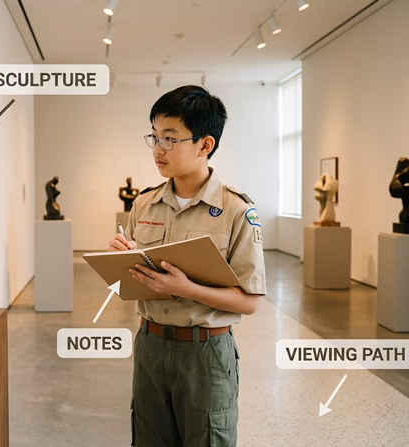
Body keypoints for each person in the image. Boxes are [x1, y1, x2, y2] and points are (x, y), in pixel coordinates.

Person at [107, 85, 266, 446]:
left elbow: (250, 301)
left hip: (205, 354)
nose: (159, 149)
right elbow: (124, 284)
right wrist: (120, 258)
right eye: (155, 136)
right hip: (150, 346)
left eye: (170, 138)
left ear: (205, 145)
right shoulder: (144, 205)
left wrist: (185, 289)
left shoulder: (237, 211)